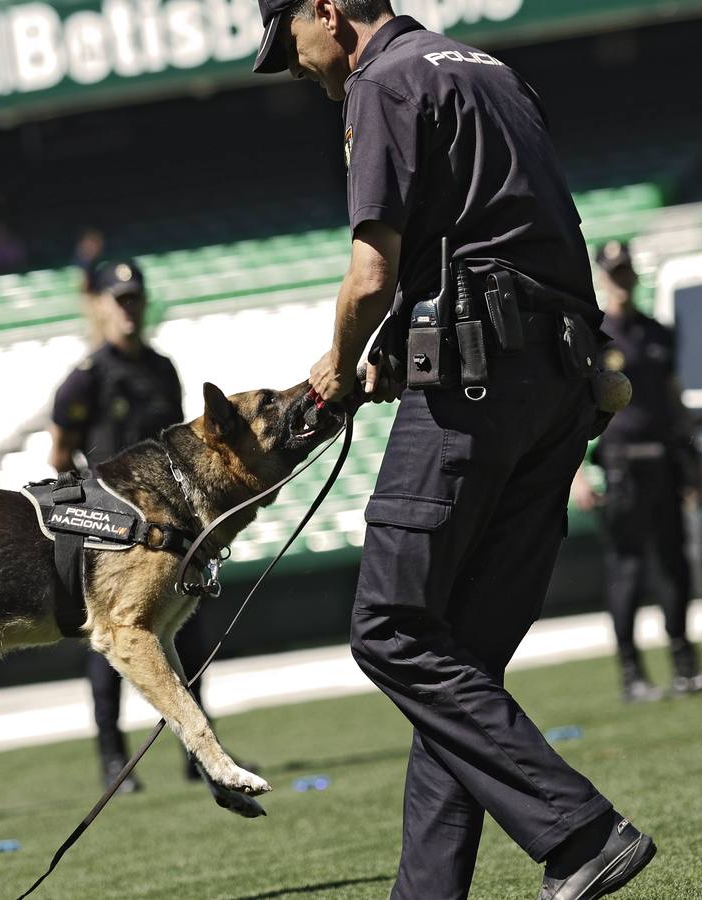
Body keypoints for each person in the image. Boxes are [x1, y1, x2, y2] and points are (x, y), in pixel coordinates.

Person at [254, 4, 657, 899]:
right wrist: (404, 351)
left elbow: (373, 270)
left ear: (327, 9)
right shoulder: (489, 71)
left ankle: (580, 831)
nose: (295, 66)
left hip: (477, 391)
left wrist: (336, 370)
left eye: (291, 43)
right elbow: (526, 236)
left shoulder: (383, 81)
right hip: (554, 383)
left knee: (390, 628)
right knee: (459, 668)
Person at [48, 260, 210, 791]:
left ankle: (196, 750)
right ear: (102, 305)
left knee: (188, 634)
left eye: (135, 298)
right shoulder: (87, 377)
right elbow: (60, 455)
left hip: (169, 528)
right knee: (112, 642)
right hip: (112, 531)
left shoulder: (162, 368)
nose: (128, 309)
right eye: (119, 300)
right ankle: (113, 759)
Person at [571, 241, 702, 702]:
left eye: (626, 272)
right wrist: (576, 474)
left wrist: (693, 462)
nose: (621, 279)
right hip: (621, 468)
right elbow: (570, 407)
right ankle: (632, 676)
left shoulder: (658, 332)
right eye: (614, 272)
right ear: (602, 277)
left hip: (665, 462)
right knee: (628, 570)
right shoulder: (592, 334)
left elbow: (675, 400)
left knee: (676, 567)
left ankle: (686, 669)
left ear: (634, 275)